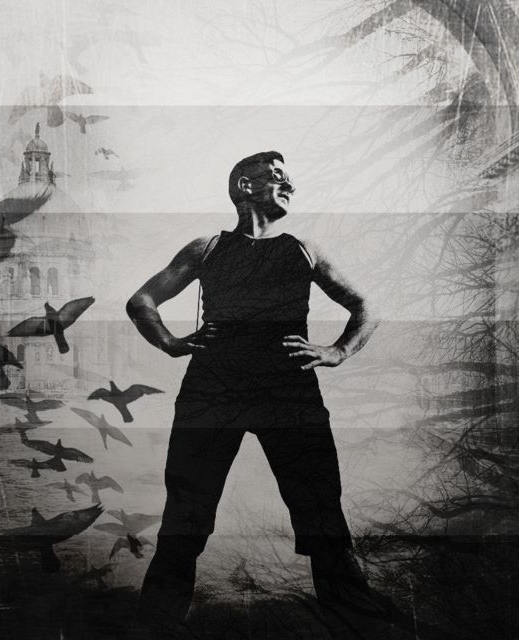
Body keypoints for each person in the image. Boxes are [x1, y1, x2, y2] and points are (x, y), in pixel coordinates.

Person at [126, 151, 383, 638]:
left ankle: (357, 622)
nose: (290, 186)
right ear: (246, 186)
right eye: (279, 177)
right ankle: (155, 625)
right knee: (186, 513)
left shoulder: (303, 250)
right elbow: (141, 301)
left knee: (321, 511)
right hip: (211, 391)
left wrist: (339, 351)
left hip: (288, 391)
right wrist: (172, 343)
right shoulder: (207, 248)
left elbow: (364, 306)